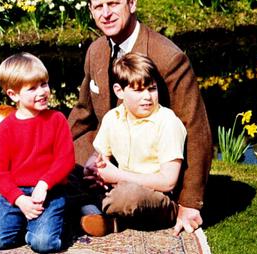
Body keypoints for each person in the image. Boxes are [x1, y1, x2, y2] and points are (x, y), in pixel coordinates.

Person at [69, 0, 212, 235]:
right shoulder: (96, 51)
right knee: (65, 163)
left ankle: (90, 206)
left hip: (153, 171)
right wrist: (53, 150)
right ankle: (89, 204)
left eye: (113, 4)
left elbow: (195, 128)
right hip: (114, 150)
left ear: (131, 3)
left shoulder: (168, 58)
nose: (106, 13)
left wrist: (190, 203)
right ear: (90, 11)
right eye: (98, 6)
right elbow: (83, 112)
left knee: (128, 196)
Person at [79, 53, 187, 236]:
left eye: (152, 89)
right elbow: (100, 155)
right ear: (119, 91)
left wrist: (117, 175)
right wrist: (93, 167)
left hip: (155, 196)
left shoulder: (167, 122)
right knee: (73, 178)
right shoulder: (113, 117)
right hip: (118, 187)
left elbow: (168, 182)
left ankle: (102, 216)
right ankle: (101, 215)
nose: (147, 97)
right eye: (138, 91)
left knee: (127, 195)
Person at [0, 53, 75, 253]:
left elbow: (65, 160)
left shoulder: (57, 120)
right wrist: (19, 199)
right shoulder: (6, 128)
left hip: (49, 191)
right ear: (13, 95)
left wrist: (45, 183)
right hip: (16, 194)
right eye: (32, 88)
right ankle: (23, 219)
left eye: (44, 84)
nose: (42, 92)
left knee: (43, 243)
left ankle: (60, 222)